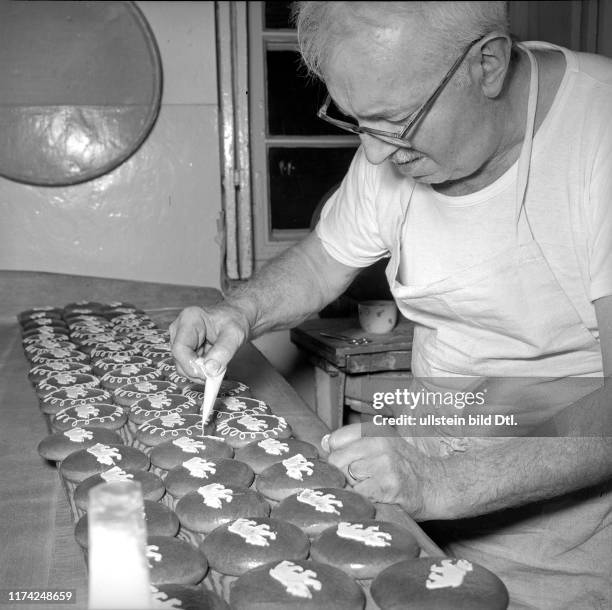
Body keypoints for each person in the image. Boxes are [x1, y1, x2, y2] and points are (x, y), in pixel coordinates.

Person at [170, 2, 612, 607]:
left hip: (568, 540)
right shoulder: (393, 139)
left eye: (394, 121)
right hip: (429, 472)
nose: (375, 157)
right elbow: (323, 261)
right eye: (357, 122)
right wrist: (239, 312)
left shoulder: (600, 137)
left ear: (488, 64)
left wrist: (444, 481)